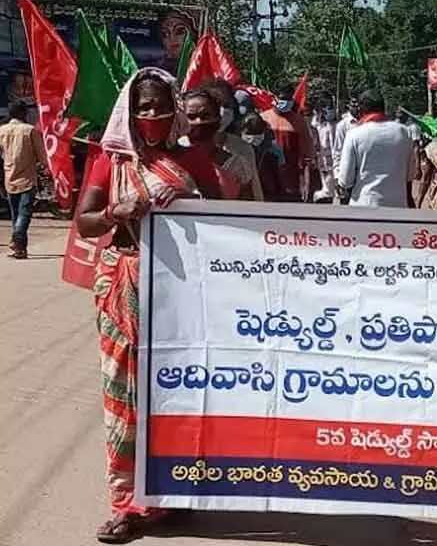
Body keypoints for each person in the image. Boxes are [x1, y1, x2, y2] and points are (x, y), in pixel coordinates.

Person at [74, 68, 216, 544]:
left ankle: (174, 492)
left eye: (160, 105)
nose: (153, 114)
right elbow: (87, 223)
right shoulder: (109, 161)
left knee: (177, 391)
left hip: (183, 291)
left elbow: (226, 224)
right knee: (127, 395)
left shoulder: (193, 158)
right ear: (128, 112)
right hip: (125, 283)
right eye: (143, 106)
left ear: (176, 107)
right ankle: (127, 503)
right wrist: (119, 210)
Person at [336, 90, 417, 208]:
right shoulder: (404, 132)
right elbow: (410, 174)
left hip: (364, 206)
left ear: (362, 109)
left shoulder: (354, 134)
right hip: (398, 206)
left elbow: (345, 180)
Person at [199, 79, 264, 200]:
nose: (223, 111)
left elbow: (254, 194)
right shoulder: (184, 146)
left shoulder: (243, 148)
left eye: (227, 105)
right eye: (217, 104)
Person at [0, 101, 48, 259]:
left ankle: (20, 249)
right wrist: (48, 168)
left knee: (16, 214)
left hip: (9, 177)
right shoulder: (30, 130)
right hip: (27, 178)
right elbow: (41, 154)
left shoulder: (2, 130)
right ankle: (17, 239)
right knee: (25, 213)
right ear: (23, 113)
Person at [259, 84, 314, 202]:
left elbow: (307, 153)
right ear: (275, 98)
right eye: (283, 98)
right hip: (267, 178)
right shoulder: (263, 119)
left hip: (291, 180)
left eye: (289, 99)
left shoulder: (299, 122)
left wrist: (306, 181)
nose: (286, 102)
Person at [241, 113, 285, 200]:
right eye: (249, 133)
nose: (253, 137)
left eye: (257, 132)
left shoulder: (275, 151)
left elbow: (281, 175)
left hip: (268, 195)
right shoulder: (233, 148)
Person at [331, 97, 359, 202]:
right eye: (353, 105)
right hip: (347, 170)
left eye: (357, 105)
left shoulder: (366, 123)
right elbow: (337, 151)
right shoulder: (342, 125)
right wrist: (337, 175)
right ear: (349, 106)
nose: (356, 108)